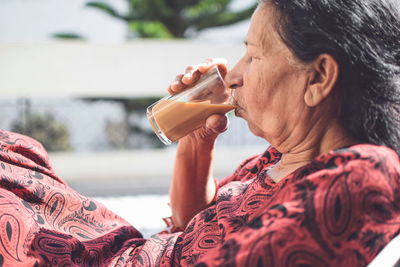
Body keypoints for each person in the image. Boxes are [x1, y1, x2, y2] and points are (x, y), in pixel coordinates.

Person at [0, 0, 399, 266]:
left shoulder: (364, 175)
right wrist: (197, 141)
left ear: (318, 78)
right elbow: (194, 225)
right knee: (16, 152)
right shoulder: (276, 158)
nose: (235, 74)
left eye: (254, 55)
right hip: (129, 249)